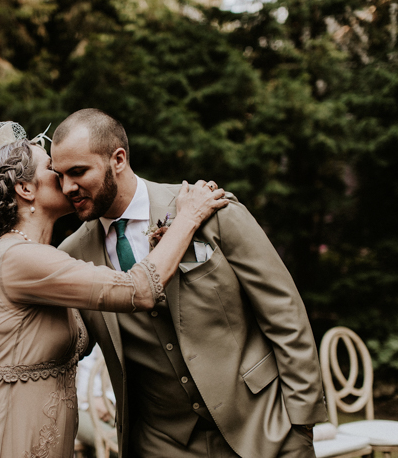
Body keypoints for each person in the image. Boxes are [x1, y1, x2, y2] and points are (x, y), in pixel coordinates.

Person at [0, 121, 227, 457]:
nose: (63, 175)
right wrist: (187, 218)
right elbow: (138, 290)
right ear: (26, 190)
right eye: (51, 168)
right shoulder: (17, 258)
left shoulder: (45, 260)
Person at [51, 108, 327, 458]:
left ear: (118, 159)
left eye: (78, 172)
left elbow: (284, 313)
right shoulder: (71, 255)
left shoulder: (208, 208)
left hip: (263, 424)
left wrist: (301, 424)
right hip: (162, 443)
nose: (67, 187)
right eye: (59, 175)